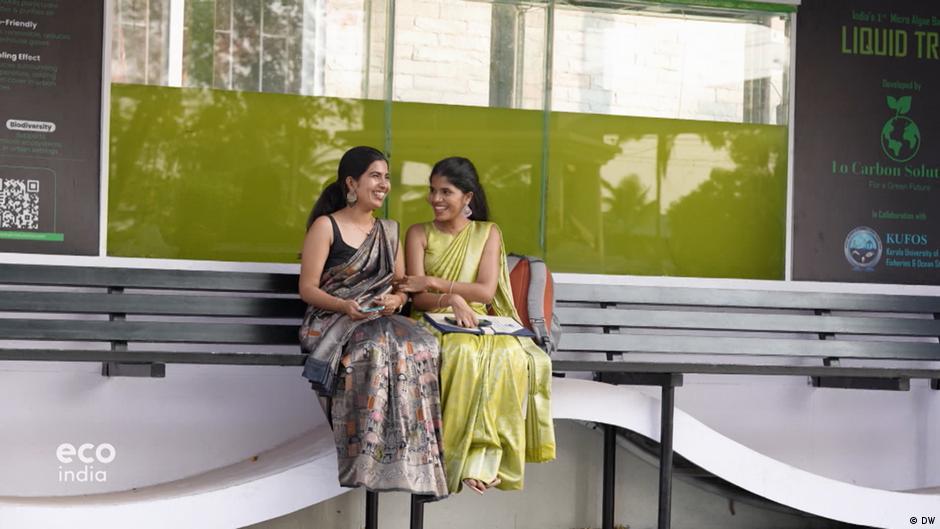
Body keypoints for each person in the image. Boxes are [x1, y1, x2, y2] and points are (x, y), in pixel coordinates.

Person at [398, 156, 555, 495]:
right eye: (432, 190)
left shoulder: (487, 233)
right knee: (462, 353)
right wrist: (450, 299)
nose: (435, 199)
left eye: (446, 192)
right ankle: (454, 462)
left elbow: (484, 291)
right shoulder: (418, 233)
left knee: (510, 355)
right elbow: (418, 298)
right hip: (433, 321)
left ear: (467, 197)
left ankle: (485, 462)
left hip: (482, 321)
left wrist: (438, 284)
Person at [298, 146, 448, 499]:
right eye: (375, 176)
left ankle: (416, 459)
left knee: (424, 345)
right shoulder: (327, 226)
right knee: (374, 350)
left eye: (387, 177)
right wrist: (344, 305)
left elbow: (400, 286)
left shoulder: (389, 231)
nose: (384, 185)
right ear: (352, 183)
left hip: (377, 318)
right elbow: (307, 288)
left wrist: (396, 300)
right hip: (334, 320)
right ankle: (366, 458)